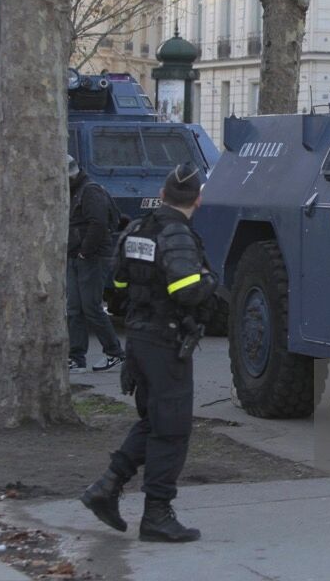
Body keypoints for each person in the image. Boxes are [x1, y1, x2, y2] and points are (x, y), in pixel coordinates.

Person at [81, 163, 217, 543]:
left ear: (161, 195)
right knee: (172, 429)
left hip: (139, 338)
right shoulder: (177, 234)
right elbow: (186, 289)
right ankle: (157, 514)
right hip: (165, 341)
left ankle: (106, 488)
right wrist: (211, 281)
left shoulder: (137, 229)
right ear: (198, 200)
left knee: (154, 421)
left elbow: (119, 281)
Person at [67, 155, 125, 372]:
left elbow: (98, 224)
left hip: (91, 258)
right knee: (75, 308)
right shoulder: (77, 190)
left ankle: (115, 353)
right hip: (77, 256)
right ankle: (76, 358)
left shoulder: (89, 191)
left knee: (91, 307)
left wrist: (84, 252)